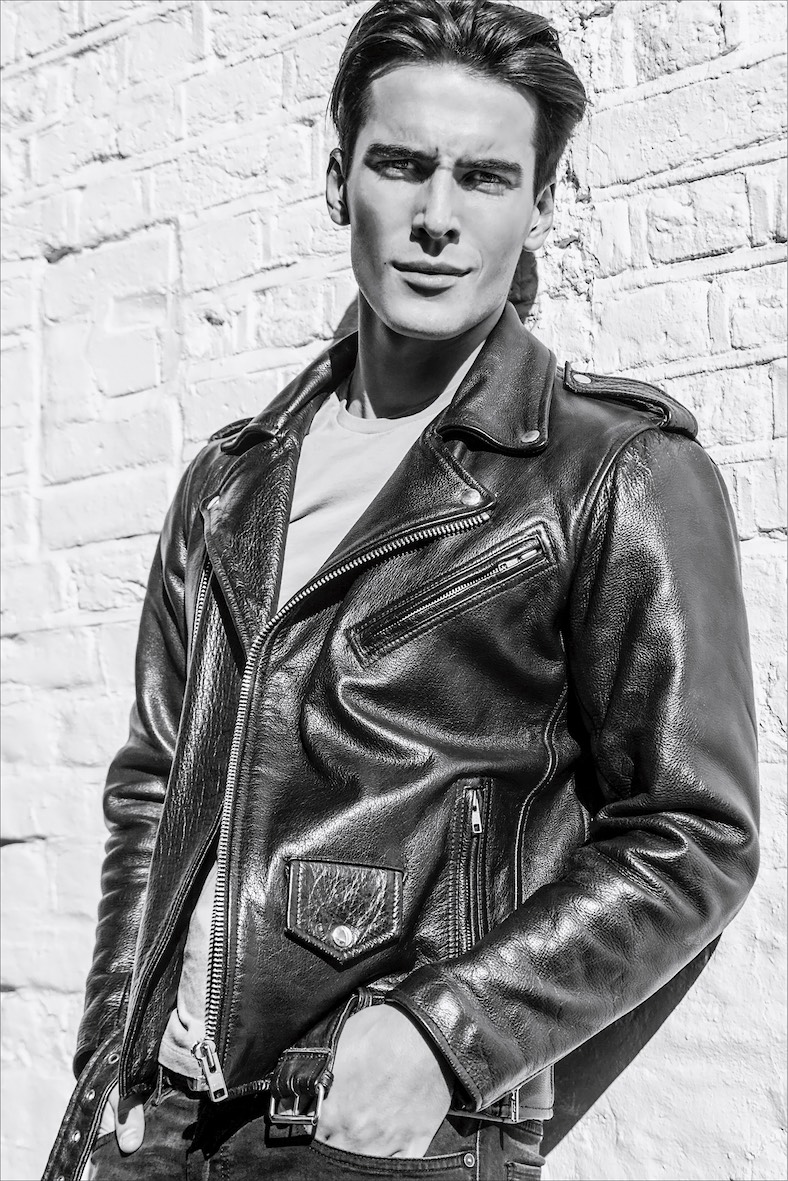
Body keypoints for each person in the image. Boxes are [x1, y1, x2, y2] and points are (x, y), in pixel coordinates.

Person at [44, 2, 759, 1179]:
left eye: (483, 176)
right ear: (340, 181)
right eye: (400, 165)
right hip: (156, 1127)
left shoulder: (610, 471)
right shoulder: (229, 482)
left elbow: (694, 830)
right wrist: (109, 1060)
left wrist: (444, 1034)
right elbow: (153, 787)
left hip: (373, 1131)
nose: (436, 216)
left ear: (540, 204)